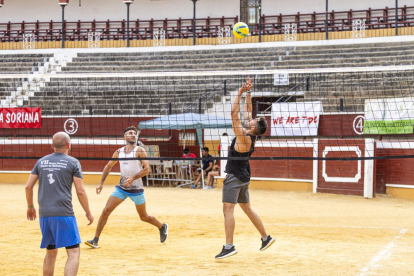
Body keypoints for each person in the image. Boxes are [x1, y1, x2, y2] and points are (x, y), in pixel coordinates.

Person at [215, 77, 275, 259]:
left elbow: (235, 114)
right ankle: (266, 237)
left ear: (254, 127)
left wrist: (239, 93)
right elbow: (248, 111)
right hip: (244, 176)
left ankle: (229, 246)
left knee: (228, 209)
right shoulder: (251, 134)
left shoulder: (244, 137)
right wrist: (248, 92)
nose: (252, 118)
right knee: (247, 208)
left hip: (234, 176)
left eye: (254, 120)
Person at [85, 126, 168, 249]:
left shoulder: (139, 150)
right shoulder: (119, 152)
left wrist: (133, 178)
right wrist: (101, 183)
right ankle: (95, 240)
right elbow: (108, 166)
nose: (133, 135)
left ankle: (162, 227)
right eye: (130, 133)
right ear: (125, 137)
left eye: (134, 133)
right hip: (122, 188)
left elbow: (147, 170)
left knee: (143, 217)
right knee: (106, 211)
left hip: (136, 189)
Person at [25, 132, 94, 276]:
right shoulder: (73, 162)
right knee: (74, 252)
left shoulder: (41, 161)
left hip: (45, 215)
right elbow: (80, 191)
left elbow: (28, 186)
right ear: (69, 145)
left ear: (52, 146)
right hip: (64, 214)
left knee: (51, 252)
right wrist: (88, 212)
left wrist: (30, 206)